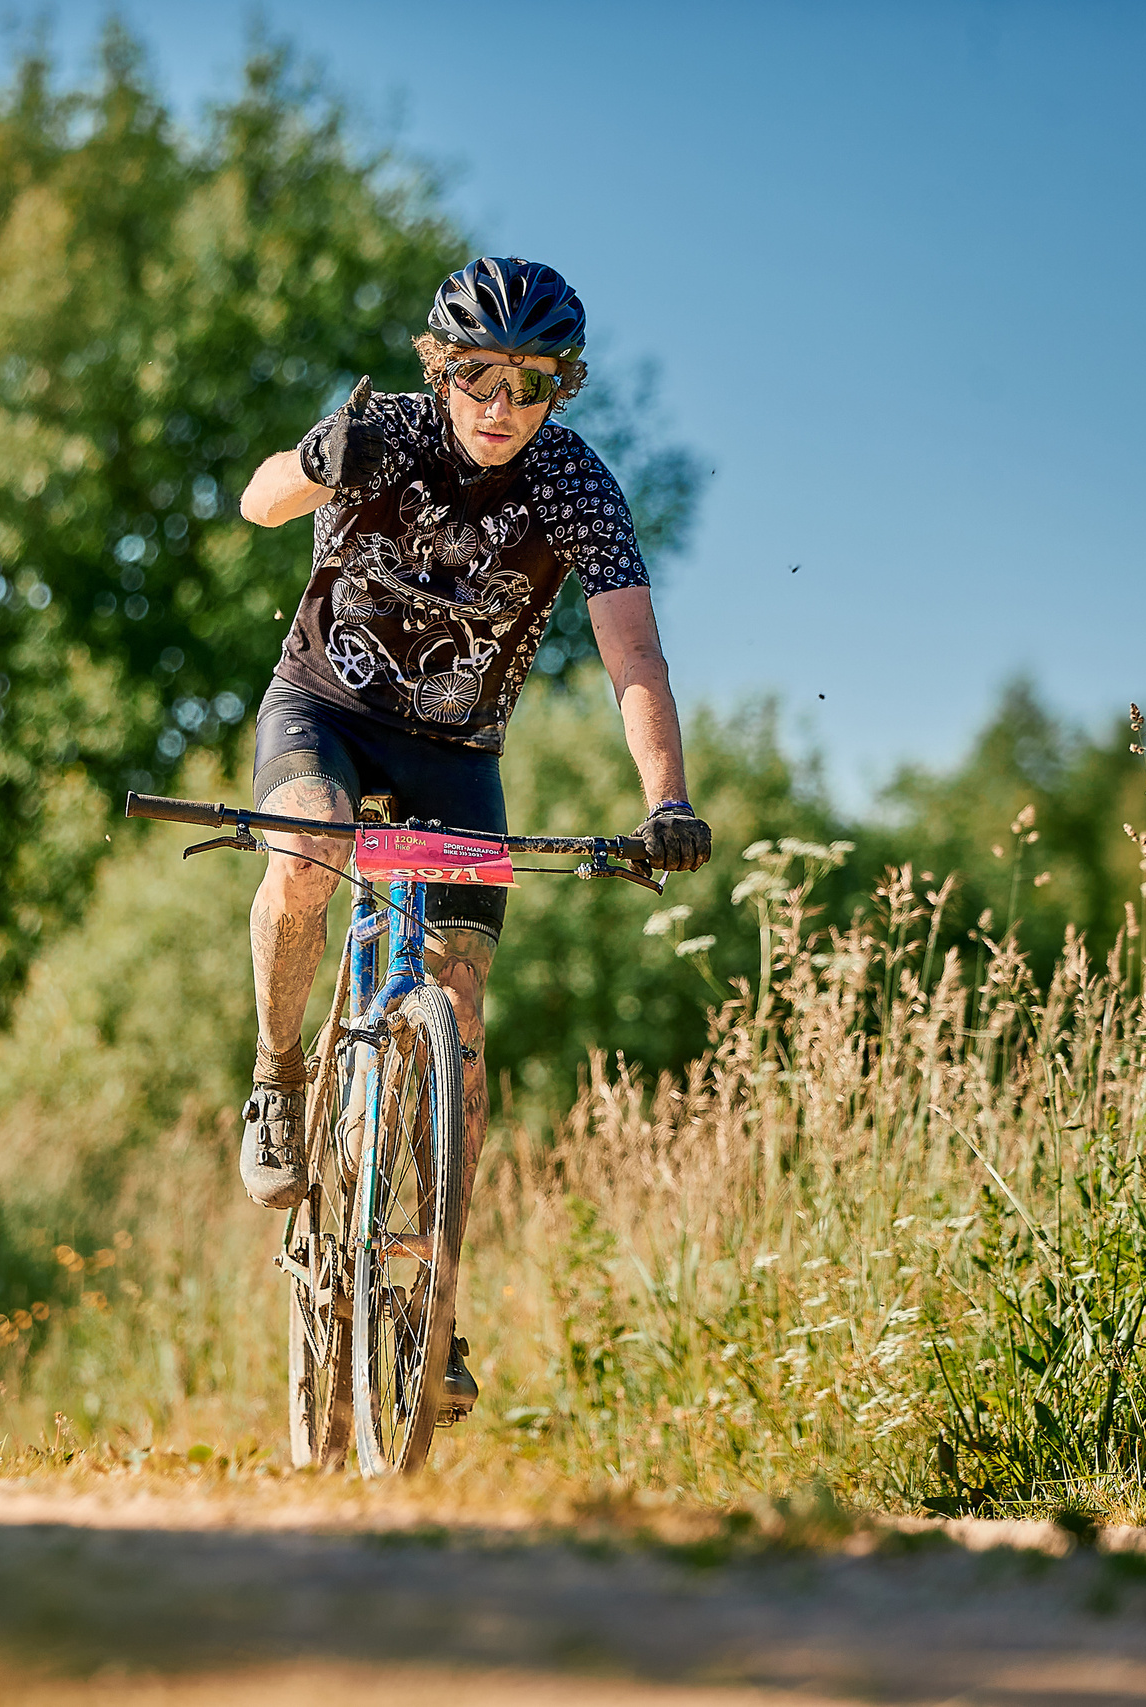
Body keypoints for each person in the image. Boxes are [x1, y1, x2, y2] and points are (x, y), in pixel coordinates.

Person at [233, 256, 712, 1418]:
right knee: (307, 851)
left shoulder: (576, 487)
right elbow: (258, 500)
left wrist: (666, 800)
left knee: (461, 1003)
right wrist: (314, 464)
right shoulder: (385, 431)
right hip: (323, 711)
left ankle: (435, 1307)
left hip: (454, 755)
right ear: (440, 369)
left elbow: (633, 657)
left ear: (560, 389)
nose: (501, 404)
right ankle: (277, 1077)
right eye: (479, 376)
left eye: (531, 383)